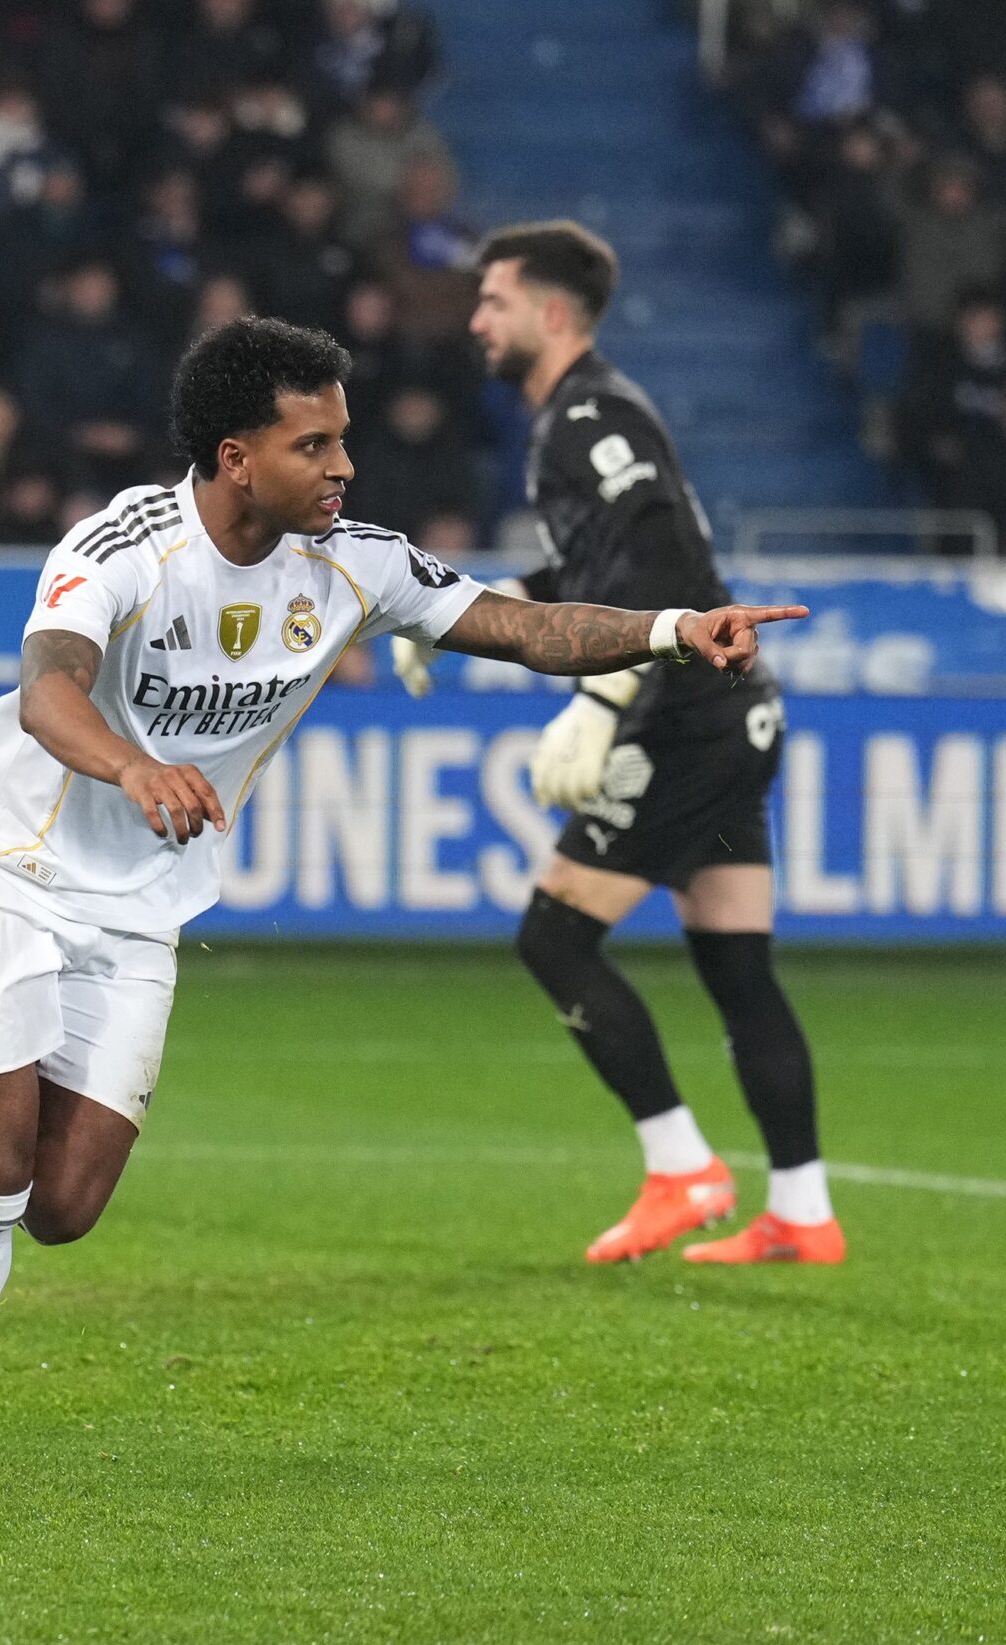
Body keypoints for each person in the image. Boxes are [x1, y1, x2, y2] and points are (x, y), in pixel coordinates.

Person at [0, 315, 806, 1502]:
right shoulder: (121, 545)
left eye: (343, 440)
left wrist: (676, 629)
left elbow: (519, 628)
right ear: (234, 457)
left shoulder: (353, 562)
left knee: (62, 1209)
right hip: (5, 861)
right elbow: (48, 687)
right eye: (313, 445)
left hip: (142, 905)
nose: (343, 468)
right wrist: (130, 765)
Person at [397, 219, 842, 1269]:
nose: (476, 320)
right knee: (735, 967)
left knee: (552, 936)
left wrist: (599, 704)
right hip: (735, 711)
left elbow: (649, 558)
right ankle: (803, 1211)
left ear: (551, 314)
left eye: (493, 301)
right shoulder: (575, 415)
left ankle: (682, 1166)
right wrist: (470, 614)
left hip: (686, 719)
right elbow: (602, 567)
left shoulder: (588, 412)